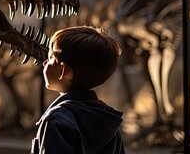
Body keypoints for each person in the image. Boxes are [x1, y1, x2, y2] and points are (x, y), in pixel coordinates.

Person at [31, 25, 125, 154]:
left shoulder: (55, 121)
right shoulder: (109, 124)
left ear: (63, 71)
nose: (45, 62)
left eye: (51, 57)